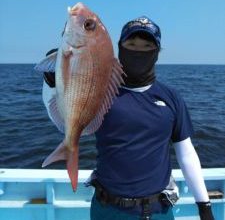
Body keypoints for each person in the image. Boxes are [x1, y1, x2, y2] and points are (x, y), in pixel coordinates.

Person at [42, 16, 215, 220]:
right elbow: (62, 119)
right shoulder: (101, 92)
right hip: (107, 209)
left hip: (159, 210)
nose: (138, 50)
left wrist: (203, 204)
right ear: (120, 47)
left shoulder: (171, 97)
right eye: (131, 44)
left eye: (146, 45)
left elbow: (186, 153)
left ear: (157, 52)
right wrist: (52, 83)